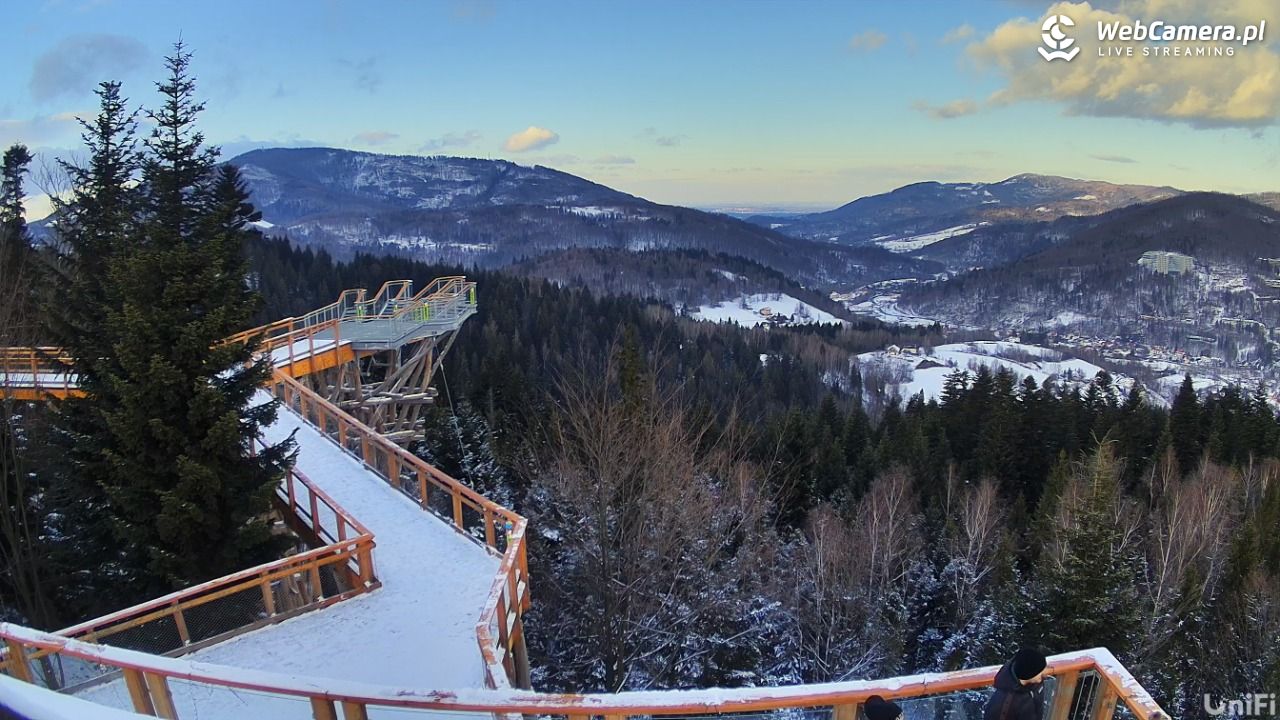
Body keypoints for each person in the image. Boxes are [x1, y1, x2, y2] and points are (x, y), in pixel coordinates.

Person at [982, 648, 1048, 720]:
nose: (1045, 674)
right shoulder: (1004, 705)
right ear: (1029, 673)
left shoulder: (1036, 683)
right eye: (1040, 671)